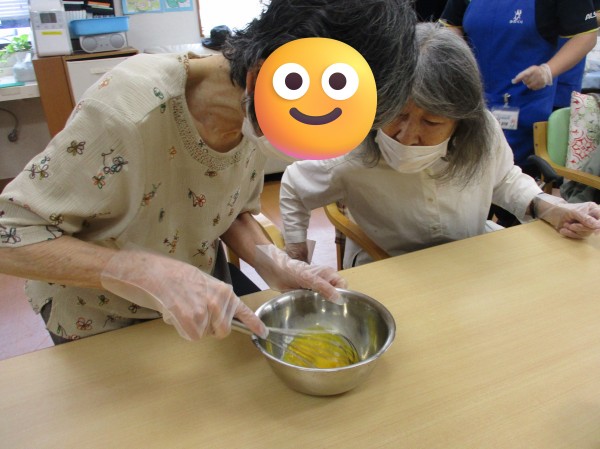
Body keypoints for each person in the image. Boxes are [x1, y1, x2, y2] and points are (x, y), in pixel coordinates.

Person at [0, 0, 418, 343]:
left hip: (200, 302)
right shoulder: (130, 110)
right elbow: (10, 235)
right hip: (100, 320)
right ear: (263, 76)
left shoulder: (255, 113)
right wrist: (141, 272)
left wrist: (273, 262)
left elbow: (227, 210)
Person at [280, 23, 600, 269]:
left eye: (431, 123)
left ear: (462, 121)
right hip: (388, 264)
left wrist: (550, 207)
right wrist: (296, 256)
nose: (407, 137)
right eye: (397, 115)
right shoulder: (352, 148)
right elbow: (295, 185)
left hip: (470, 255)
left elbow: (504, 179)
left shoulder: (482, 130)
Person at [439, 0, 598, 226]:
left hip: (525, 104)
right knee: (463, 193)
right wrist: (459, 57)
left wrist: (548, 70)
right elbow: (450, 24)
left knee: (513, 197)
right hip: (472, 100)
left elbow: (586, 35)